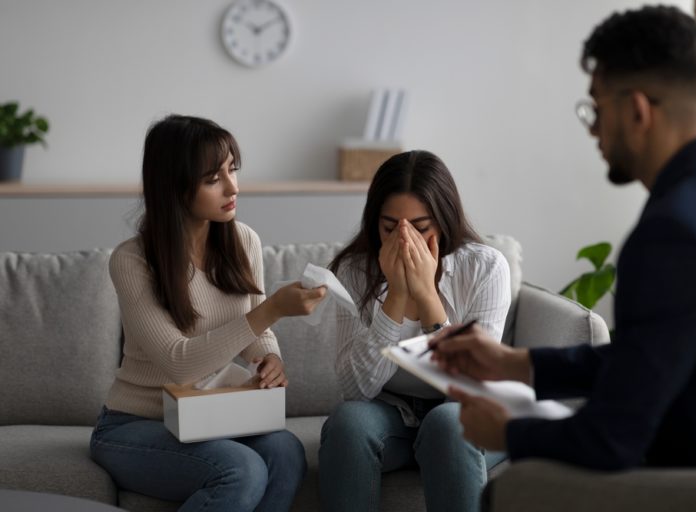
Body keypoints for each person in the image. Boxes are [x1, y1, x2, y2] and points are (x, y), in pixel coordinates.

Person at [433, 4, 696, 472]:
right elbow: (647, 356)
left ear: (636, 110)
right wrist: (516, 364)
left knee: (511, 488)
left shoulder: (674, 232)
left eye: (596, 107)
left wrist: (506, 431)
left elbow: (612, 440)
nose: (593, 129)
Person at [90, 114, 326, 512]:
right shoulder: (132, 261)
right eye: (213, 178)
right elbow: (178, 362)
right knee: (243, 469)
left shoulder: (243, 240)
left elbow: (254, 329)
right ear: (175, 185)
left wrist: (269, 358)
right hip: (134, 425)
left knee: (286, 450)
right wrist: (272, 311)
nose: (233, 187)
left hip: (206, 416)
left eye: (232, 170)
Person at [317, 150, 512, 512]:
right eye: (390, 228)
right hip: (389, 414)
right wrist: (396, 294)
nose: (405, 241)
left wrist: (425, 295)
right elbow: (356, 390)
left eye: (420, 228)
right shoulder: (354, 271)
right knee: (348, 423)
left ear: (443, 221)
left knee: (450, 424)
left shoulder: (485, 267)